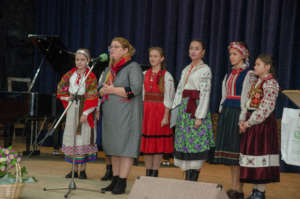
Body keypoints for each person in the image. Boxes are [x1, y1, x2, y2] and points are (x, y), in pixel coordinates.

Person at [99, 37, 143, 194]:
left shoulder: (133, 67)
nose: (112, 49)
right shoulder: (108, 69)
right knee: (114, 147)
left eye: (116, 47)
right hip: (111, 115)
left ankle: (123, 181)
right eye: (111, 46)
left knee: (125, 147)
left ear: (125, 50)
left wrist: (111, 90)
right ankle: (115, 179)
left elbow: (135, 89)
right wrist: (102, 90)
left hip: (128, 114)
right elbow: (100, 89)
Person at [213, 42, 254, 199]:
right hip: (228, 112)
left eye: (235, 54)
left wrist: (243, 118)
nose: (231, 57)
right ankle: (234, 186)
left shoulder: (248, 75)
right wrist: (221, 110)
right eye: (230, 54)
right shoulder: (229, 74)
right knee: (231, 154)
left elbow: (247, 98)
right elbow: (224, 94)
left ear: (243, 55)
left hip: (238, 113)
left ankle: (239, 189)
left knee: (238, 152)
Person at [172, 39, 214, 181]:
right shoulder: (186, 69)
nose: (193, 51)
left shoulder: (205, 70)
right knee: (185, 143)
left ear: (203, 52)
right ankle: (188, 179)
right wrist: (175, 112)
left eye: (197, 49)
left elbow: (205, 93)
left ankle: (192, 180)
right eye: (191, 48)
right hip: (184, 109)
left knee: (195, 144)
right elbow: (179, 91)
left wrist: (199, 116)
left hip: (195, 108)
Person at [239, 54, 280, 199]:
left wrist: (250, 122)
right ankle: (256, 190)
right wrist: (243, 120)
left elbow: (266, 108)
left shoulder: (271, 83)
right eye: (255, 64)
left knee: (261, 155)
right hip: (253, 122)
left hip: (262, 125)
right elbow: (249, 102)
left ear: (267, 67)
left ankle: (260, 191)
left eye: (258, 64)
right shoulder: (257, 81)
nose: (254, 67)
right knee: (254, 156)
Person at [57, 48, 98, 179]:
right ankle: (73, 169)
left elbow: (92, 95)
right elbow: (61, 87)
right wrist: (65, 97)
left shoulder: (91, 76)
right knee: (72, 137)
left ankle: (83, 170)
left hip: (85, 109)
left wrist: (86, 113)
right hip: (72, 108)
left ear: (88, 61)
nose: (79, 62)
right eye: (77, 59)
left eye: (82, 60)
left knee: (84, 137)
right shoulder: (70, 74)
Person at [140, 47, 175, 177]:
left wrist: (166, 116)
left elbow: (169, 98)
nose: (152, 59)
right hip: (147, 112)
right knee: (148, 144)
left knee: (158, 144)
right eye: (150, 56)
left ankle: (155, 171)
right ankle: (148, 171)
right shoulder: (144, 74)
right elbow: (142, 95)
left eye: (155, 56)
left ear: (162, 58)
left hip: (160, 113)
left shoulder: (167, 76)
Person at [96, 72, 113, 181]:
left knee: (116, 141)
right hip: (105, 108)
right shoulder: (104, 73)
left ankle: (116, 171)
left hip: (119, 110)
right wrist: (97, 109)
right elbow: (99, 92)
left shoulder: (124, 71)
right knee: (106, 141)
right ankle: (108, 169)